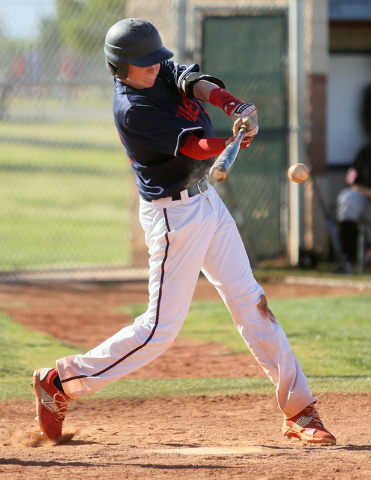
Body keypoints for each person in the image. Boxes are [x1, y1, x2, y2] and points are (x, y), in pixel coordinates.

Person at [32, 18, 336, 446]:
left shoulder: (158, 72)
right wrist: (234, 143)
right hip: (173, 218)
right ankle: (59, 382)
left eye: (156, 59)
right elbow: (195, 146)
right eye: (143, 64)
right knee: (158, 331)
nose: (154, 68)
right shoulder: (131, 110)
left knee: (252, 301)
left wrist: (233, 106)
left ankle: (300, 409)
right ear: (119, 68)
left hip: (205, 200)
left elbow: (193, 82)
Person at [336, 84, 371, 273]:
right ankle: (347, 260)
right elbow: (352, 182)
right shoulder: (366, 152)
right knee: (347, 198)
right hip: (368, 204)